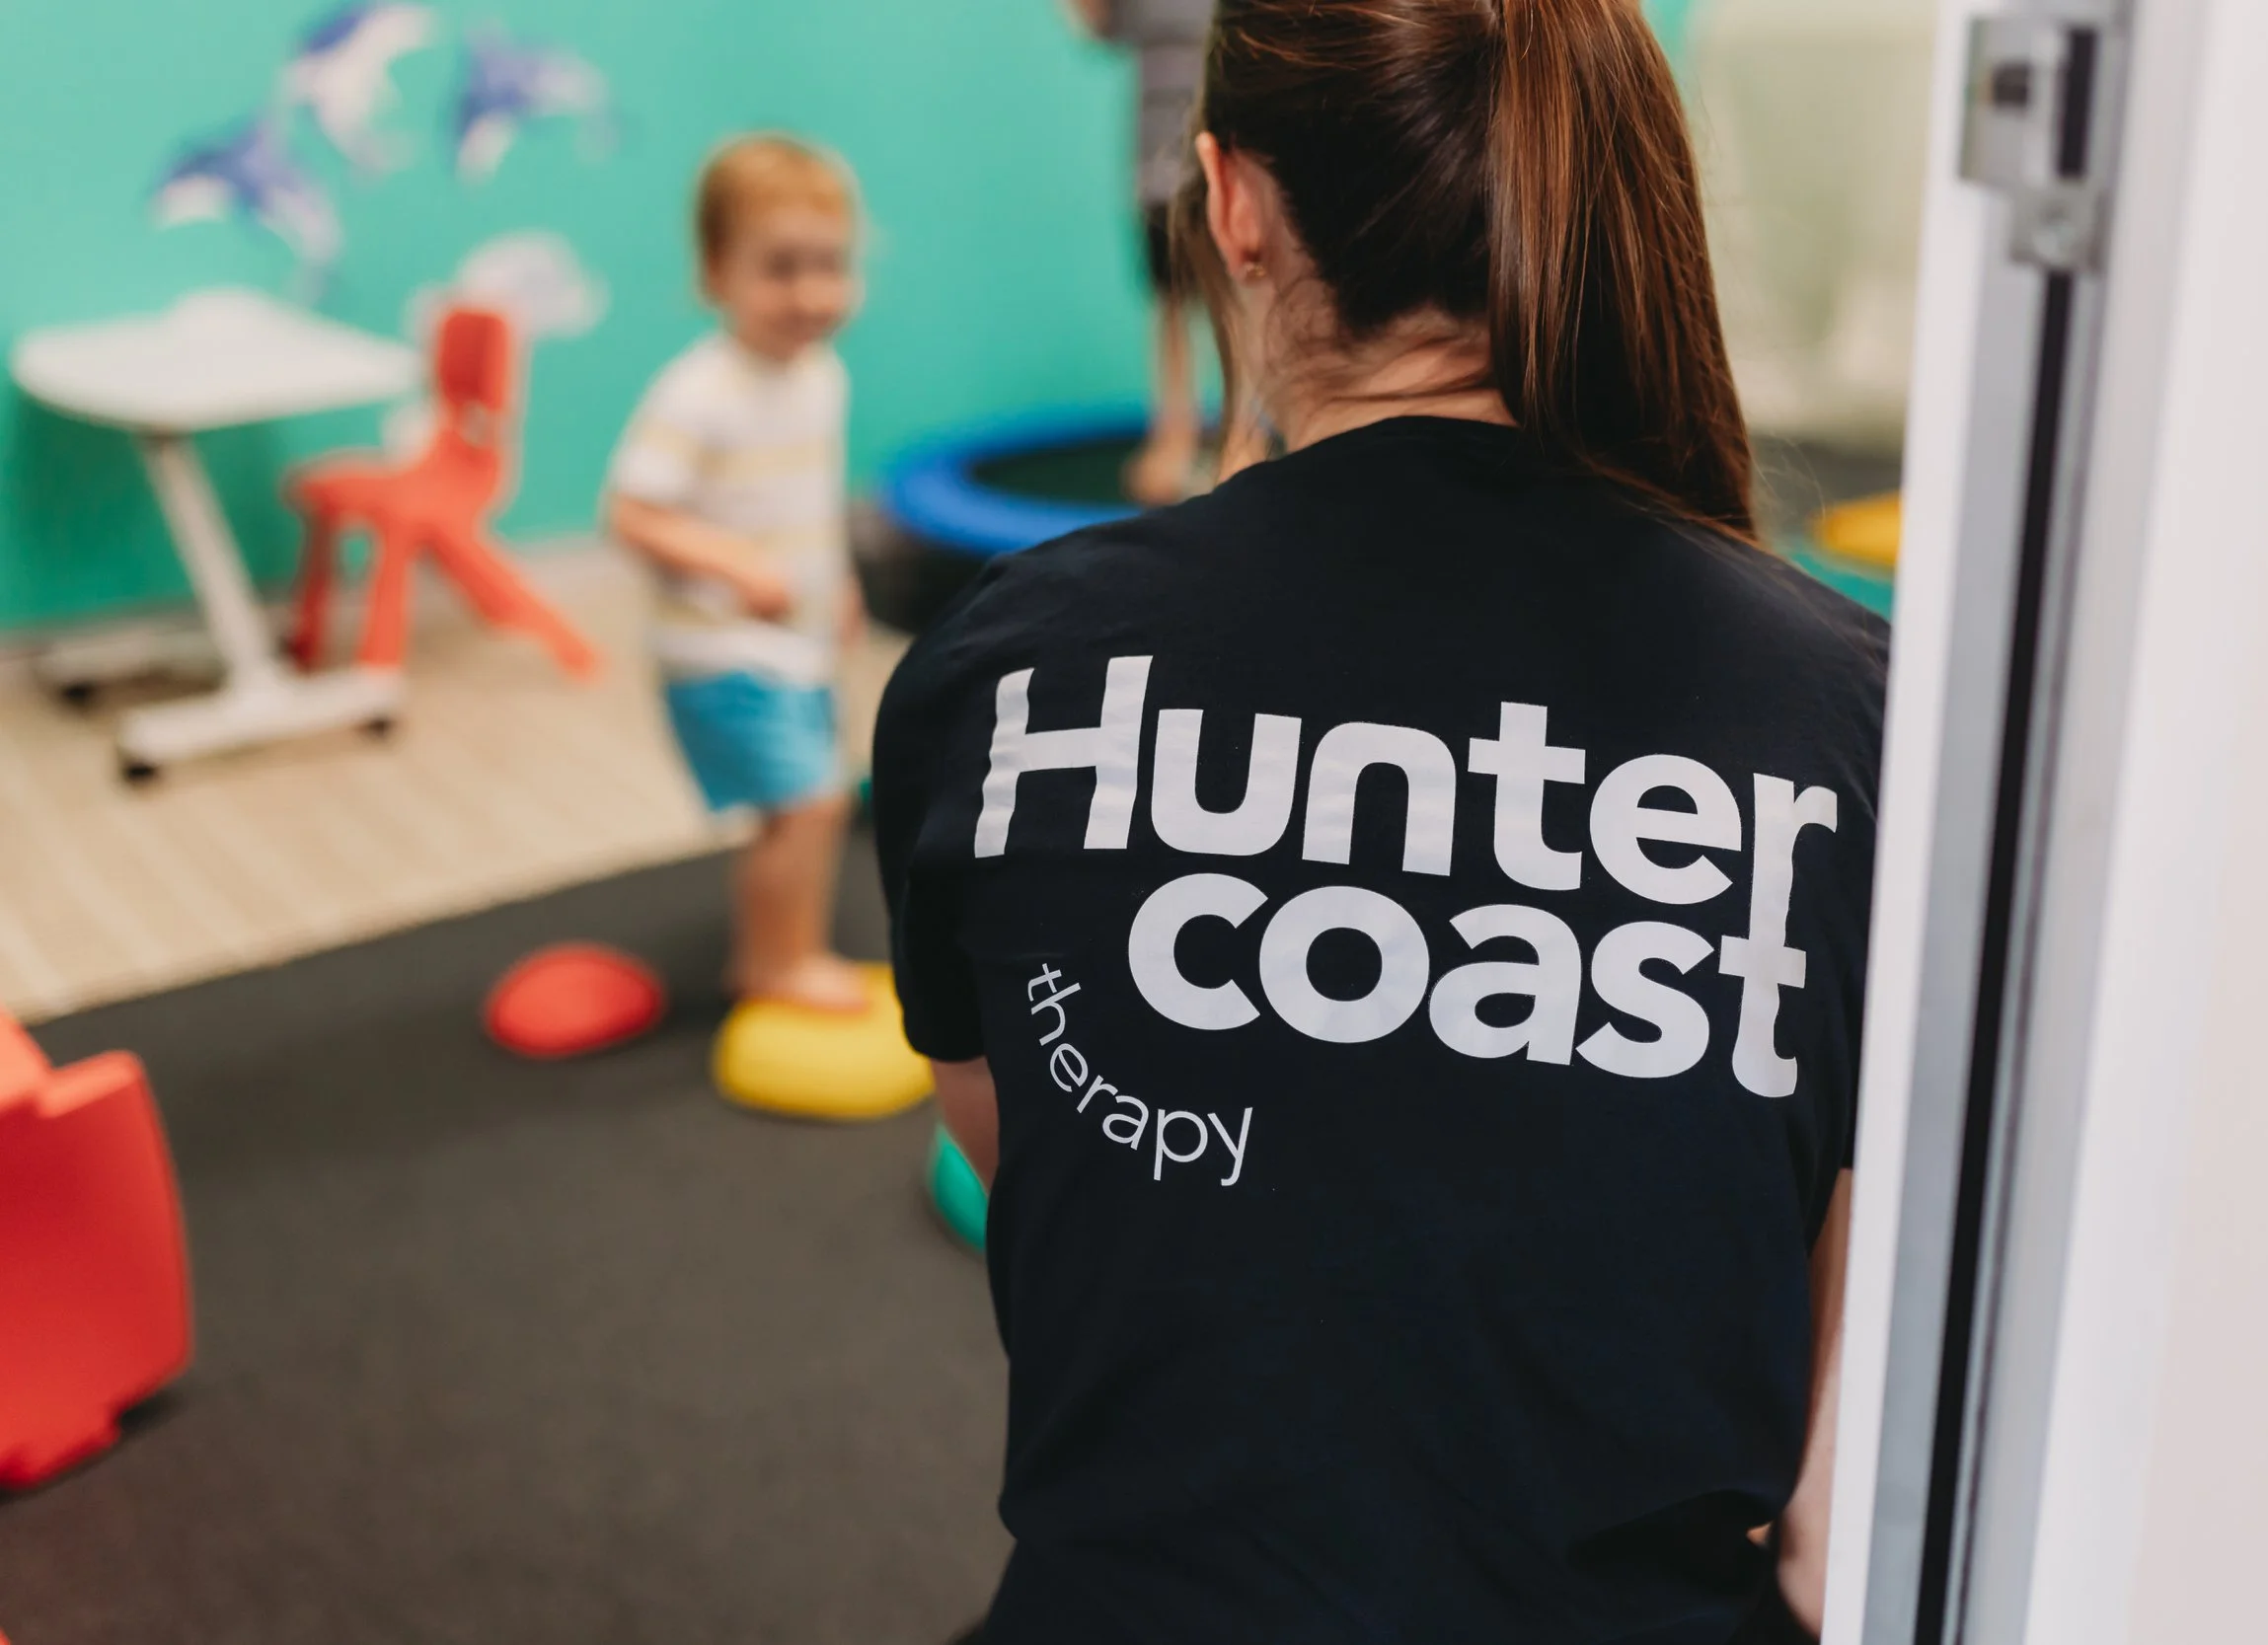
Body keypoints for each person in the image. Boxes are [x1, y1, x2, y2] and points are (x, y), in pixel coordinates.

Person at [876, 1, 1883, 1639]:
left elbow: (1053, 1169)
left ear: (1234, 202)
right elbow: (1823, 1395)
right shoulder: (1853, 715)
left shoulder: (1003, 669)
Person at [607, 135, 871, 1014]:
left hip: (790, 642)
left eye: (829, 266)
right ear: (715, 274)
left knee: (791, 808)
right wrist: (731, 561)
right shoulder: (698, 392)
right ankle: (775, 965)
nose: (809, 295)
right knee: (812, 806)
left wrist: (838, 588)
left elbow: (806, 500)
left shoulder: (821, 374)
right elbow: (632, 512)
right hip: (720, 651)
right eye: (779, 269)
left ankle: (777, 947)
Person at [1065, 0, 1218, 504]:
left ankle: (1243, 437)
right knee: (1170, 303)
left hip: (1223, 158)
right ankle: (1174, 435)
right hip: (1156, 170)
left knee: (1235, 303)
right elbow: (1099, 27)